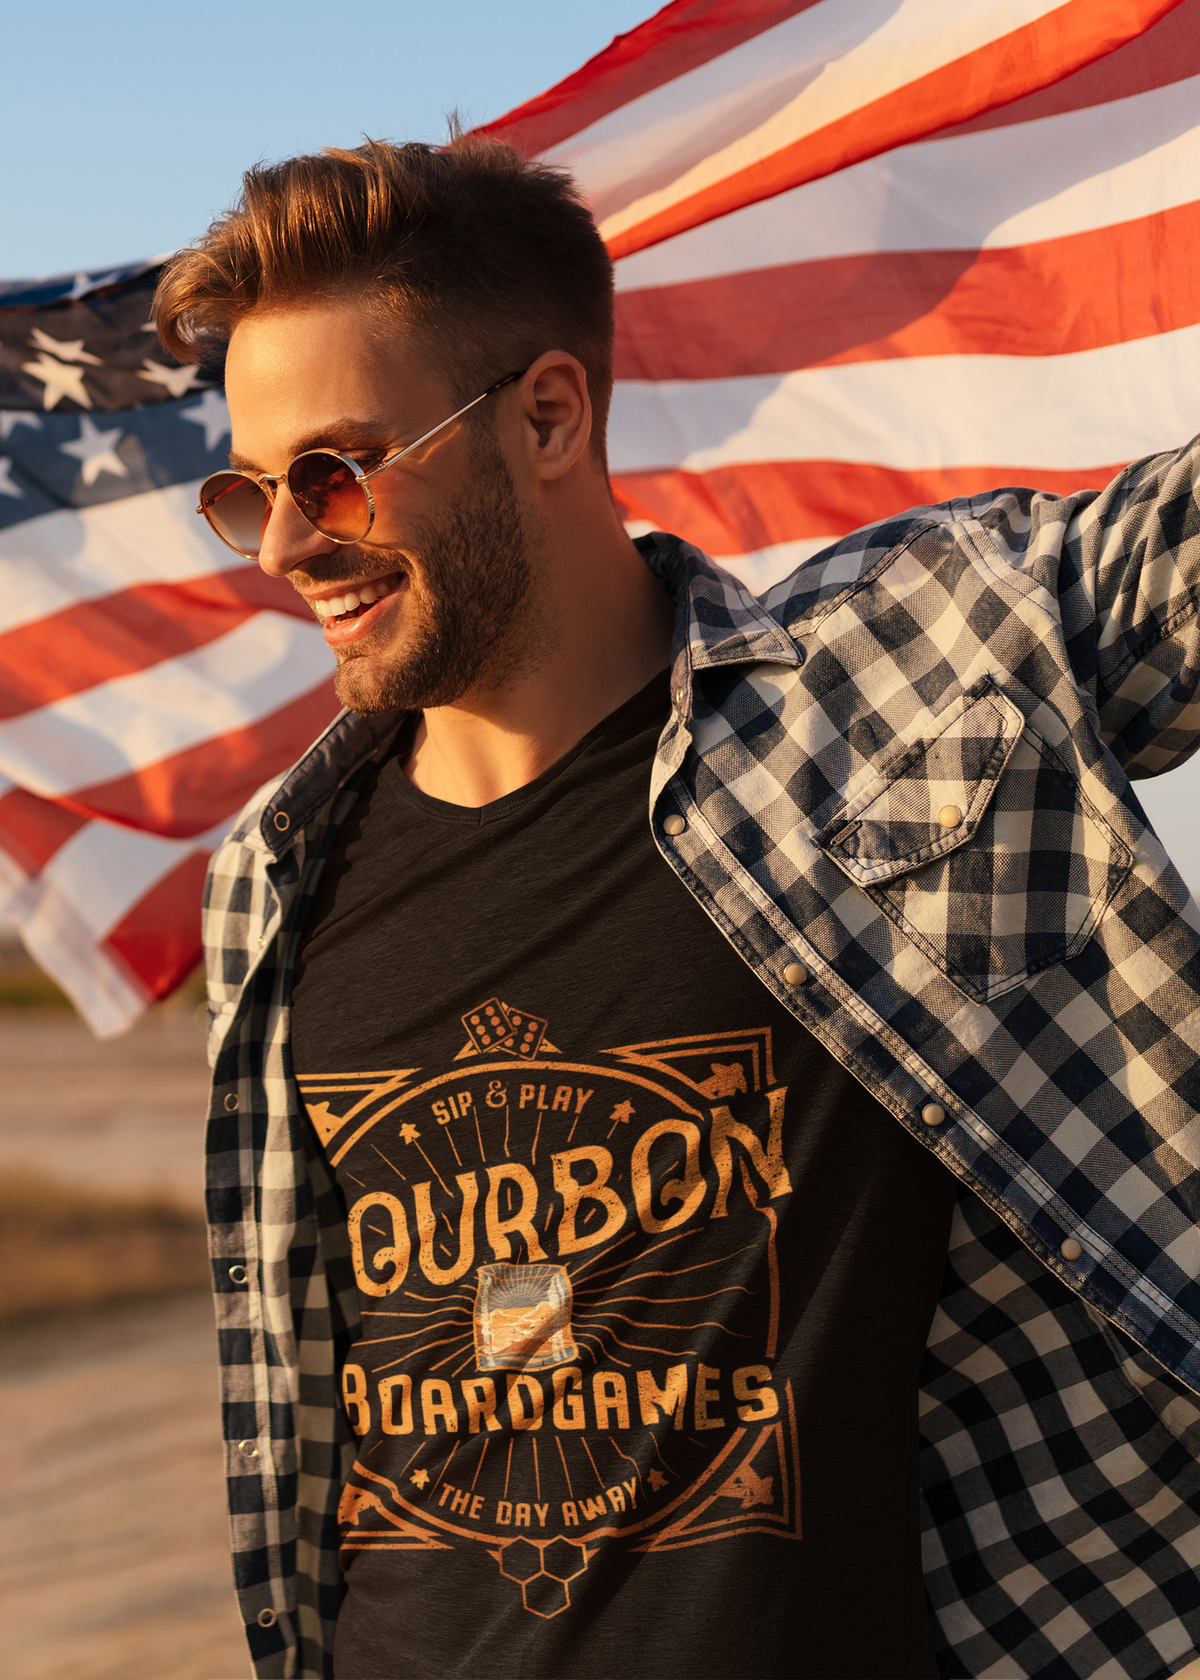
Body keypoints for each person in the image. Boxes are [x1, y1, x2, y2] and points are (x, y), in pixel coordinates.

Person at [154, 137, 1200, 1680]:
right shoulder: (274, 879)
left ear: (552, 414)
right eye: (250, 491)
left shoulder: (894, 684)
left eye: (336, 470)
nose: (293, 546)